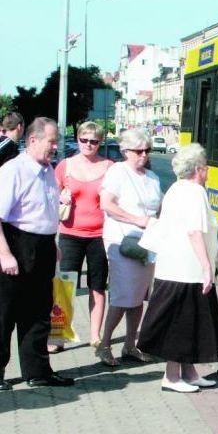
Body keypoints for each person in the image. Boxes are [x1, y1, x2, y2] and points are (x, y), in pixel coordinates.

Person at [137, 143, 218, 393]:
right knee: (180, 325)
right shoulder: (194, 192)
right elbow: (195, 231)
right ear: (198, 169)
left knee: (189, 323)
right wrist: (207, 268)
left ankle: (189, 372)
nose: (207, 172)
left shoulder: (176, 188)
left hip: (175, 267)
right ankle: (171, 377)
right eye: (205, 167)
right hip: (186, 270)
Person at [0, 117, 74, 390]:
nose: (56, 146)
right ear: (33, 140)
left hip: (41, 245)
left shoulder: (47, 169)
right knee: (5, 313)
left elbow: (44, 210)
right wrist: (5, 254)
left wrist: (50, 243)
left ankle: (37, 371)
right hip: (15, 243)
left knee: (38, 311)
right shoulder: (13, 170)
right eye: (52, 141)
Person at [97, 129, 162, 366]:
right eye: (138, 151)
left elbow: (159, 208)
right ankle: (104, 345)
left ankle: (130, 345)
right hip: (122, 242)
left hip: (147, 244)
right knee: (123, 295)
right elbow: (107, 204)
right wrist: (137, 220)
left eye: (147, 150)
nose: (143, 155)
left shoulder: (152, 177)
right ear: (126, 151)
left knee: (139, 295)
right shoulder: (117, 172)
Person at [53, 122, 113, 352]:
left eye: (94, 141)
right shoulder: (65, 166)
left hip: (100, 235)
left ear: (100, 142)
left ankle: (95, 336)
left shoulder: (109, 166)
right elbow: (51, 196)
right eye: (84, 140)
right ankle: (58, 335)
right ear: (77, 139)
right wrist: (61, 199)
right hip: (70, 234)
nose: (89, 144)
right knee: (64, 285)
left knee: (97, 287)